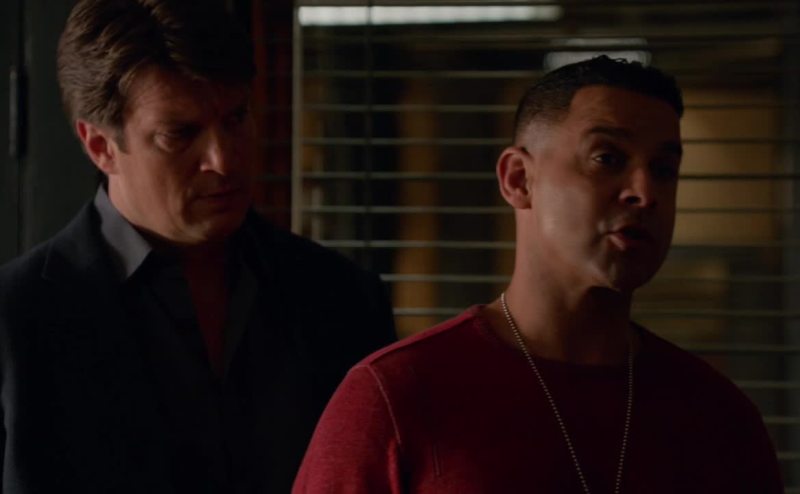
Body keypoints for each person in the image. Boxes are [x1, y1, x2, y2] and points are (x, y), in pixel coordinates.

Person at [292, 56, 783, 493]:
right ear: (519, 180)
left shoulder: (718, 416)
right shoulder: (397, 395)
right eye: (608, 158)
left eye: (663, 169)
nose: (644, 192)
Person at [0, 1, 396, 492]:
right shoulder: (18, 321)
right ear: (100, 146)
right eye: (180, 134)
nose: (223, 161)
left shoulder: (343, 298)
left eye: (236, 118)